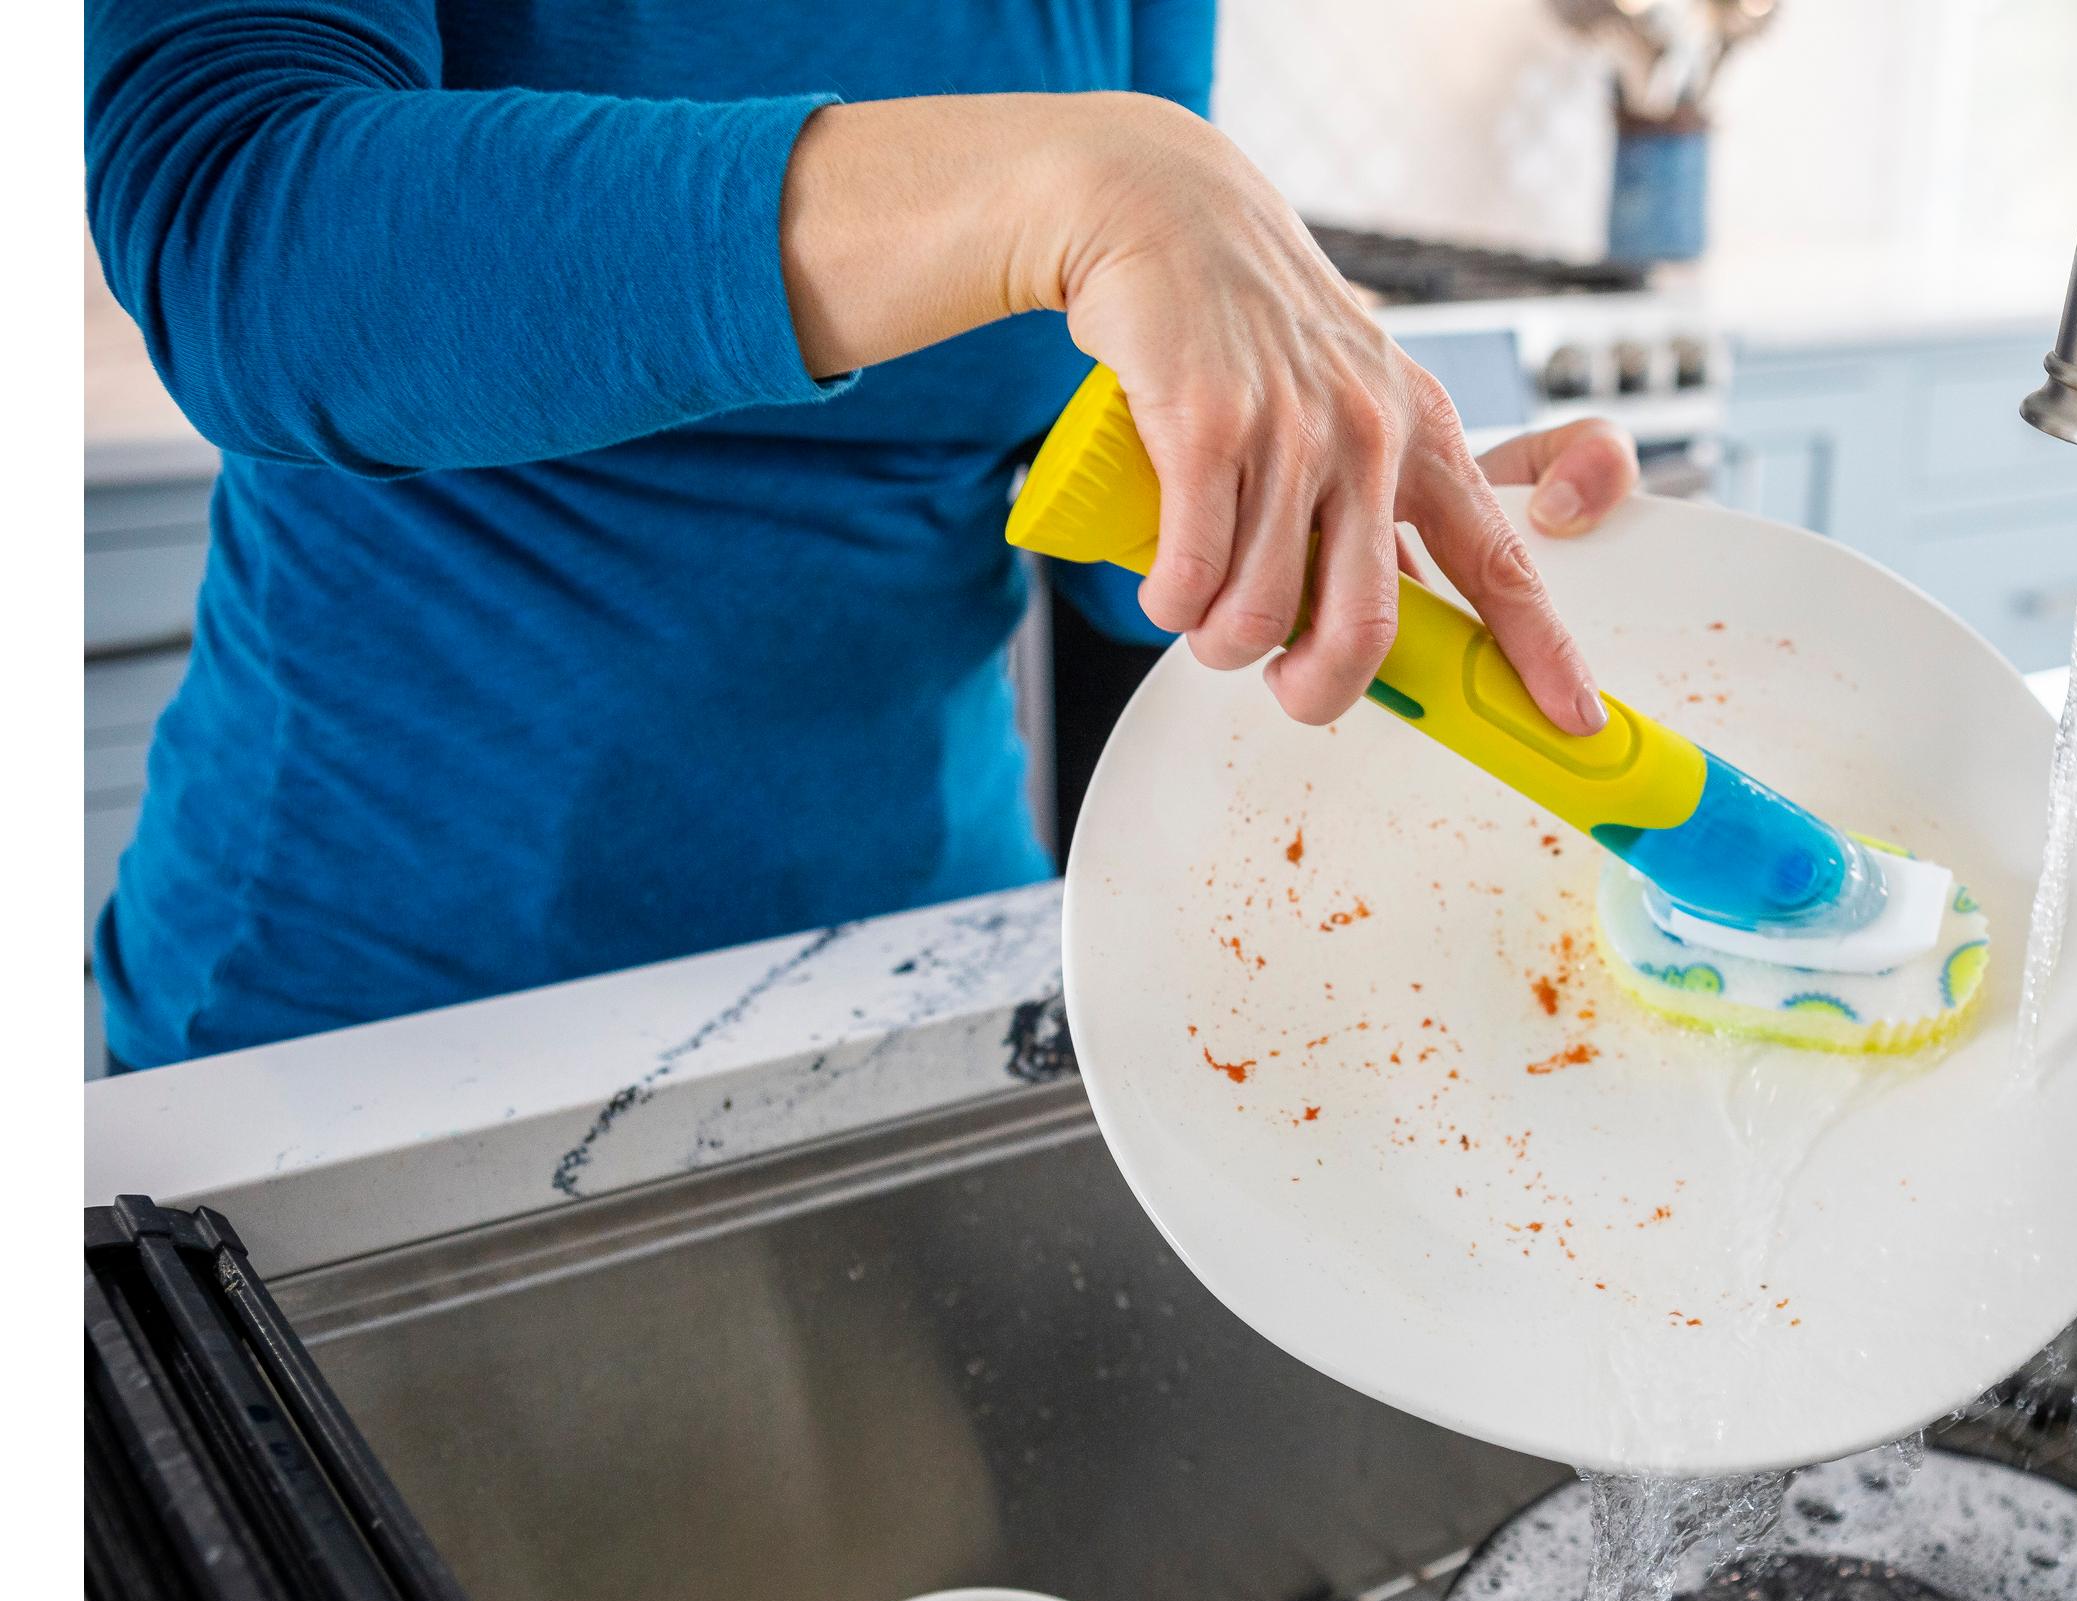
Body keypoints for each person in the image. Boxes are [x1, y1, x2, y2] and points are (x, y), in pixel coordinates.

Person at [84, 0, 1639, 1071]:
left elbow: (1083, 455)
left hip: (927, 968)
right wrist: (1061, 180)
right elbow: (247, 229)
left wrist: (1333, 520)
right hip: (375, 1017)